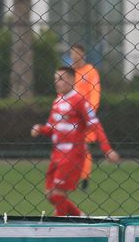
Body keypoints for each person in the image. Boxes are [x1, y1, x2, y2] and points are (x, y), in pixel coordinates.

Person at [31, 66, 120, 217]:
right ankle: (80, 217)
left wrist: (107, 149)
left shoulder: (80, 101)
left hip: (72, 153)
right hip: (57, 153)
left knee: (57, 194)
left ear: (72, 80)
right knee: (51, 194)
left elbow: (95, 125)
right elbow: (52, 128)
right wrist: (40, 128)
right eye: (55, 79)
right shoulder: (57, 101)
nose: (57, 82)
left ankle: (60, 227)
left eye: (61, 79)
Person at [70, 43, 102, 187]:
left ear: (82, 55)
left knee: (84, 147)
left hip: (84, 117)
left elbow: (95, 94)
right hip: (70, 118)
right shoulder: (69, 73)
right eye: (72, 53)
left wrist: (89, 113)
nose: (74, 56)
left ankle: (84, 178)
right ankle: (72, 176)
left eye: (76, 53)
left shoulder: (90, 71)